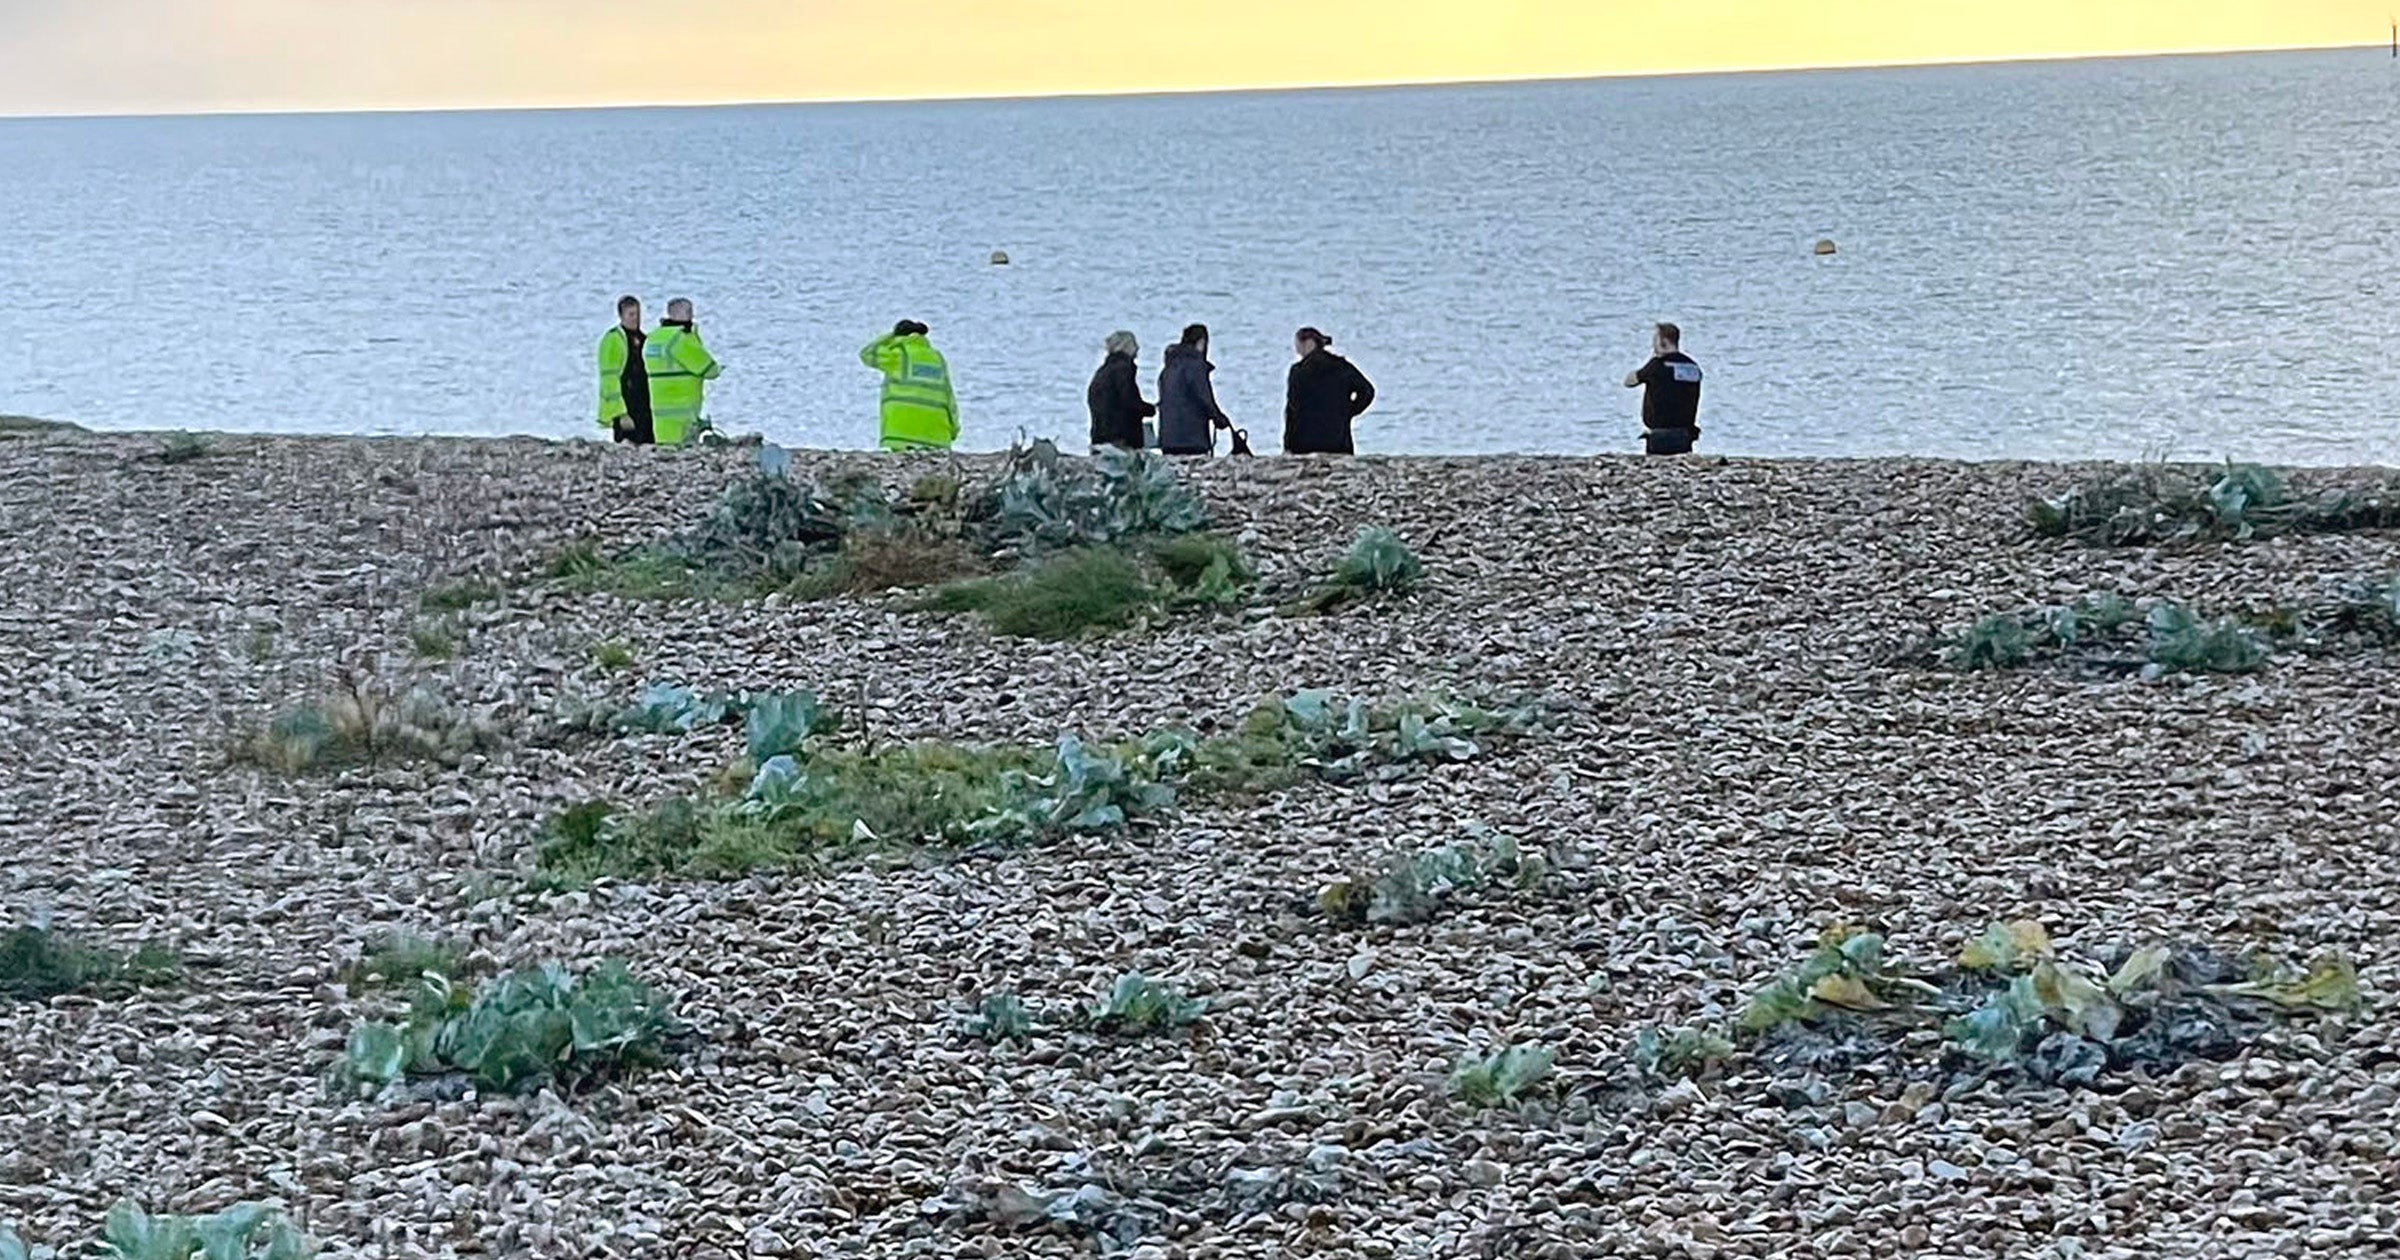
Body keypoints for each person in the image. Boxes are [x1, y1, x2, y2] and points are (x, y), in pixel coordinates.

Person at [861, 320, 959, 452]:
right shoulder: (936, 357)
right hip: (937, 436)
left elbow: (867, 353)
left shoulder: (897, 355)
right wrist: (954, 427)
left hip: (901, 434)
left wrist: (891, 336)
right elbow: (948, 394)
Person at [641, 298, 722, 446]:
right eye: (690, 311)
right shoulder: (680, 339)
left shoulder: (653, 338)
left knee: (665, 447)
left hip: (659, 407)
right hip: (683, 407)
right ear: (685, 313)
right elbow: (709, 369)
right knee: (685, 448)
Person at [1283, 326, 1375, 455]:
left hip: (1304, 444)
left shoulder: (1298, 372)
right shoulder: (1341, 366)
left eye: (1298, 346)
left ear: (1309, 343)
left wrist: (1288, 445)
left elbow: (1292, 409)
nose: (1298, 351)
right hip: (1338, 442)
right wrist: (1348, 412)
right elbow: (1367, 391)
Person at [1624, 322, 1704, 455]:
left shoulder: (1656, 366)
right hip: (1685, 433)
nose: (1653, 345)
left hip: (1659, 436)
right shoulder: (1692, 367)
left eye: (1655, 340)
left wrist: (1652, 360)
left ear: (1663, 342)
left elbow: (1629, 381)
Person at [1157, 323, 1235, 456]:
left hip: (1168, 437)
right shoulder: (1195, 366)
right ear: (1201, 342)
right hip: (1192, 438)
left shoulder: (1169, 367)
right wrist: (1218, 418)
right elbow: (1203, 396)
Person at [596, 295, 653, 444]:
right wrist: (620, 413)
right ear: (621, 316)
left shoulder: (645, 339)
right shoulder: (613, 339)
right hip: (626, 404)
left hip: (645, 404)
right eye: (631, 314)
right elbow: (609, 378)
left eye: (638, 314)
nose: (636, 319)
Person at [1086, 330, 1154, 452]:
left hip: (1100, 434)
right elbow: (1129, 400)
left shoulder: (1103, 371)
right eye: (1134, 344)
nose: (1137, 348)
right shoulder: (1123, 369)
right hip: (1121, 436)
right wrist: (1149, 409)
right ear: (1126, 346)